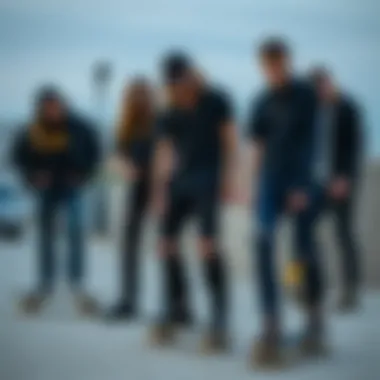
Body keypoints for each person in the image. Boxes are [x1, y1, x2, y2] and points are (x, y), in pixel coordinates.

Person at [149, 52, 238, 352]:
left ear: (192, 75)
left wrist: (229, 180)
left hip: (209, 179)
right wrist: (160, 192)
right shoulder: (169, 110)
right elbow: (163, 151)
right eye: (173, 83)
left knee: (207, 245)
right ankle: (179, 308)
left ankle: (220, 319)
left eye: (182, 80)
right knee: (166, 245)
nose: (179, 87)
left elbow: (229, 141)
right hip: (180, 181)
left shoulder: (216, 100)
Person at [246, 38, 325, 367]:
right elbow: (256, 145)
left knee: (302, 250)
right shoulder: (261, 100)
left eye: (277, 64)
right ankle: (271, 321)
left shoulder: (305, 95)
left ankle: (313, 318)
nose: (273, 71)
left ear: (287, 62)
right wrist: (250, 185)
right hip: (270, 181)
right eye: (267, 66)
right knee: (261, 241)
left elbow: (311, 142)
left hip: (301, 181)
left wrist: (302, 186)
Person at [13, 86, 100, 314]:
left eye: (56, 106)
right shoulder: (33, 130)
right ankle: (45, 283)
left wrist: (84, 176)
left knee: (75, 233)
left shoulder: (79, 127)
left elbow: (94, 153)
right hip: (46, 189)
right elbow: (18, 157)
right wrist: (33, 177)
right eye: (48, 106)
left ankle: (76, 283)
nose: (53, 110)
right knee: (45, 237)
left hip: (72, 187)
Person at [309, 67, 363, 311]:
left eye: (323, 85)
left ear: (330, 84)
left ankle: (350, 290)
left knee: (344, 235)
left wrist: (345, 178)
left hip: (340, 182)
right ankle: (307, 287)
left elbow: (355, 147)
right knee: (304, 235)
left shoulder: (347, 108)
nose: (321, 91)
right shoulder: (309, 111)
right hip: (314, 183)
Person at [107, 78, 156, 320]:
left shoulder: (160, 121)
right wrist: (126, 167)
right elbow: (119, 156)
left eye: (142, 95)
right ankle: (128, 300)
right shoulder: (126, 126)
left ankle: (177, 307)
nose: (138, 101)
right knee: (129, 244)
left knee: (168, 244)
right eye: (134, 96)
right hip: (137, 187)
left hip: (163, 185)